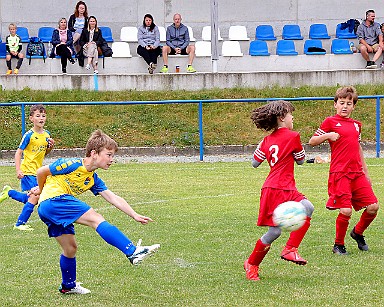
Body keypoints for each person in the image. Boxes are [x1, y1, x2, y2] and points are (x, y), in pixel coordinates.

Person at [29, 130, 160, 294]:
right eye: (109, 155)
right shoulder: (72, 164)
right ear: (94, 153)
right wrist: (41, 191)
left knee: (70, 248)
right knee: (96, 219)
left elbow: (113, 198)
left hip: (48, 209)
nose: (112, 160)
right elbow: (42, 171)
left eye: (113, 156)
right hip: (55, 201)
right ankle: (132, 251)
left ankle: (68, 286)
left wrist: (134, 214)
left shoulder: (92, 178)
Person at [244, 100, 314, 281]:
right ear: (282, 118)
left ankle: (254, 264)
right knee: (307, 208)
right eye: (291, 115)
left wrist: (263, 145)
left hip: (273, 187)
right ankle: (282, 252)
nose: (293, 118)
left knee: (275, 231)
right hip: (281, 187)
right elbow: (301, 161)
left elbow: (254, 163)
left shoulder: (266, 140)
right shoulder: (293, 136)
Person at [309, 86, 379, 255]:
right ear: (335, 104)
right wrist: (328, 136)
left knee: (373, 207)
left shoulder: (357, 125)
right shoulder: (330, 122)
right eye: (342, 103)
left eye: (349, 103)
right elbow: (312, 141)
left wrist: (366, 172)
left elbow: (358, 147)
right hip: (340, 173)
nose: (345, 106)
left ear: (354, 106)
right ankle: (338, 245)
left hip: (357, 173)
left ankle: (358, 233)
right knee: (345, 210)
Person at [0, 104, 54, 231]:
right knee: (35, 197)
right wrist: (18, 170)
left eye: (43, 116)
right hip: (28, 171)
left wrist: (50, 147)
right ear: (31, 118)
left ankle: (9, 192)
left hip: (38, 171)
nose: (41, 118)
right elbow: (18, 152)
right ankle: (19, 224)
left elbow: (45, 153)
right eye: (38, 116)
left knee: (33, 197)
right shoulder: (29, 135)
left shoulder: (47, 135)